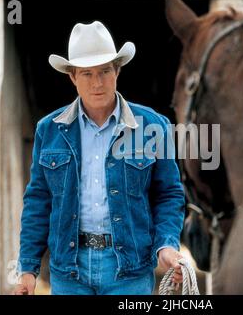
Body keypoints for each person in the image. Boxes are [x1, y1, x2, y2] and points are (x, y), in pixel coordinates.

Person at [14, 21, 185, 295]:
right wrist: (27, 269)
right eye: (86, 74)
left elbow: (168, 194)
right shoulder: (49, 130)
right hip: (69, 272)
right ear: (72, 77)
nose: (97, 83)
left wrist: (166, 245)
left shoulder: (154, 127)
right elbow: (39, 200)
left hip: (129, 272)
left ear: (117, 70)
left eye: (105, 71)